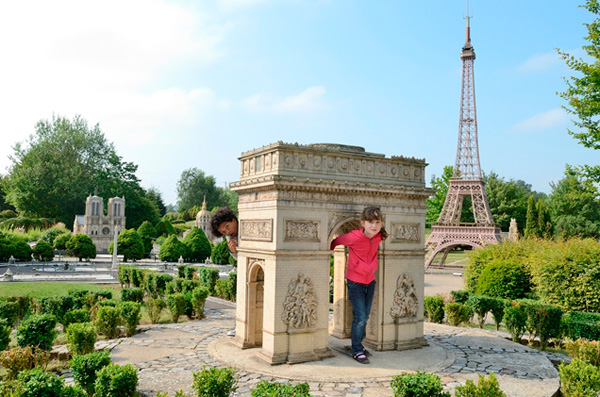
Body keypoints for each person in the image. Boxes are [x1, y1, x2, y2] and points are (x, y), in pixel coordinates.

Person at [330, 206, 388, 364]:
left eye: (377, 222)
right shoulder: (353, 237)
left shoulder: (379, 237)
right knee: (361, 316)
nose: (374, 226)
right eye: (370, 222)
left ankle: (358, 345)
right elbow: (336, 241)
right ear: (363, 223)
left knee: (365, 316)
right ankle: (356, 349)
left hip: (370, 282)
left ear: (381, 223)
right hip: (355, 282)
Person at [210, 206, 239, 337]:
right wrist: (234, 252)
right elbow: (237, 258)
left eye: (227, 227)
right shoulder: (229, 237)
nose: (227, 233)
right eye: (223, 232)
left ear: (234, 220)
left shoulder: (246, 225)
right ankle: (240, 326)